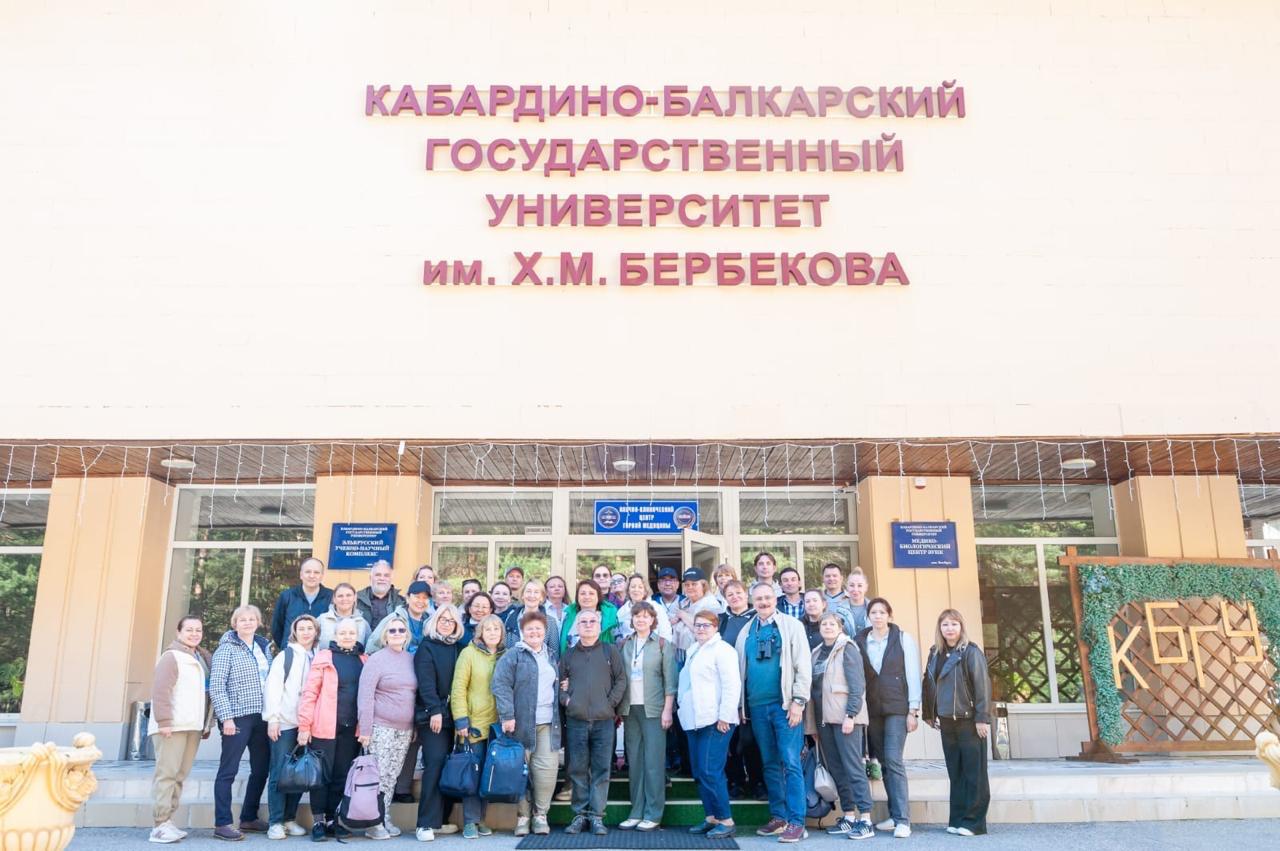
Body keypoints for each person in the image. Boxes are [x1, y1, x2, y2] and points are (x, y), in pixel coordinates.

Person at [734, 583, 811, 844]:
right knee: (769, 763)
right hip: (757, 708)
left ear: (775, 599)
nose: (763, 602)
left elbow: (803, 665)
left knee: (790, 762)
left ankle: (797, 821)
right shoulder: (747, 631)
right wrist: (741, 706)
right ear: (752, 601)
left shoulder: (791, 626)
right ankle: (779, 817)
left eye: (768, 597)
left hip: (785, 706)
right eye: (758, 598)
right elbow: (740, 671)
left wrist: (798, 701)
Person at [855, 597, 921, 839]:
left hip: (897, 708)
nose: (878, 616)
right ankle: (894, 815)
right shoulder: (860, 640)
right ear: (868, 616)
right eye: (874, 612)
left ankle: (903, 820)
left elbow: (913, 674)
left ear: (889, 616)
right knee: (883, 762)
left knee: (893, 759)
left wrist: (913, 710)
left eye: (882, 612)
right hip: (873, 710)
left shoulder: (902, 638)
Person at [492, 610, 562, 838]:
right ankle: (523, 816)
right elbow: (500, 685)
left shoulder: (551, 655)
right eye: (530, 629)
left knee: (546, 771)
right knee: (520, 771)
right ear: (522, 632)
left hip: (548, 722)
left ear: (545, 632)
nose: (534, 632)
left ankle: (541, 815)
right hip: (519, 723)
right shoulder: (513, 655)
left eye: (538, 629)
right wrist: (507, 715)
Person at [805, 613, 874, 840]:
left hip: (846, 719)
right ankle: (849, 816)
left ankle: (866, 819)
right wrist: (813, 726)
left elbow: (857, 685)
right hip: (824, 721)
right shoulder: (816, 652)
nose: (827, 627)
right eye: (824, 624)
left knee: (853, 768)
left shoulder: (848, 648)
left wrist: (850, 715)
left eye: (832, 624)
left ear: (840, 627)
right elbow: (814, 692)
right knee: (837, 769)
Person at [923, 609, 992, 837]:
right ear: (939, 628)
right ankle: (957, 819)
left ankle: (974, 823)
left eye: (954, 624)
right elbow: (928, 683)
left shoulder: (971, 652)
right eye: (945, 624)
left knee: (974, 773)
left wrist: (982, 718)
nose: (949, 628)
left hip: (969, 720)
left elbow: (982, 686)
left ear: (961, 627)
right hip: (946, 721)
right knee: (956, 772)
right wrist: (929, 713)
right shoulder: (935, 653)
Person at [297, 617, 366, 842]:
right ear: (335, 635)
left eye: (351, 633)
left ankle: (331, 820)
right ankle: (318, 822)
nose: (347, 636)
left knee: (341, 775)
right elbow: (310, 693)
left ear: (357, 636)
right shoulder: (325, 657)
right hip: (324, 727)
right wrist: (304, 725)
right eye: (343, 633)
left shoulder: (363, 659)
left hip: (350, 728)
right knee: (321, 776)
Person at [209, 605, 274, 841]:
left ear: (258, 622)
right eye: (242, 619)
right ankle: (222, 823)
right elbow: (217, 686)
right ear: (234, 623)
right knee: (228, 770)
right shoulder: (226, 649)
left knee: (261, 769)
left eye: (251, 619)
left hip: (261, 717)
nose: (247, 622)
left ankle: (248, 817)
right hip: (236, 717)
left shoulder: (263, 647)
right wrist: (226, 717)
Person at [559, 609, 626, 836]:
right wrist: (567, 700)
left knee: (601, 769)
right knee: (577, 769)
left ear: (599, 626)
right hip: (576, 720)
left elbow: (621, 680)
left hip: (604, 721)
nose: (588, 625)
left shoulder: (610, 651)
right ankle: (579, 815)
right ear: (577, 627)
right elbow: (560, 684)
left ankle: (597, 816)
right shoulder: (568, 654)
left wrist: (609, 704)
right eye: (583, 622)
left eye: (592, 621)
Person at [148, 615, 213, 844]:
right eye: (189, 630)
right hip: (172, 726)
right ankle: (159, 824)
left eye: (198, 630)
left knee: (179, 775)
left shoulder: (201, 658)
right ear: (179, 632)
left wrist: (206, 724)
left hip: (192, 726)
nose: (194, 634)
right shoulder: (171, 657)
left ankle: (168, 821)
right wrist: (164, 721)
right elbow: (160, 691)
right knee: (167, 774)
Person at [679, 609, 741, 839]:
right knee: (699, 771)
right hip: (693, 720)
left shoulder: (723, 650)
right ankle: (712, 817)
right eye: (698, 625)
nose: (701, 629)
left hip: (716, 721)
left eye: (706, 625)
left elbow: (732, 685)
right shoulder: (693, 649)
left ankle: (726, 820)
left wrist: (725, 716)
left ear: (715, 627)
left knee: (710, 770)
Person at [358, 614, 418, 839]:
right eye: (392, 630)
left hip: (405, 729)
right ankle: (373, 822)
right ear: (385, 636)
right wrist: (365, 729)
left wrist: (414, 726)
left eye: (401, 630)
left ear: (407, 635)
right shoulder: (376, 660)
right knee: (379, 776)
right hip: (380, 727)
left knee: (392, 776)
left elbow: (413, 695)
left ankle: (384, 817)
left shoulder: (411, 659)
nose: (397, 634)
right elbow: (365, 696)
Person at [617, 601, 676, 831]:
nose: (641, 619)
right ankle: (636, 811)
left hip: (654, 709)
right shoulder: (625, 644)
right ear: (631, 619)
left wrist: (667, 710)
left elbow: (670, 681)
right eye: (637, 616)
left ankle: (653, 813)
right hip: (630, 709)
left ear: (653, 620)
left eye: (645, 616)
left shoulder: (662, 644)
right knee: (635, 762)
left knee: (653, 762)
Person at [264, 613, 320, 840]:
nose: (306, 632)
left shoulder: (318, 656)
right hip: (285, 723)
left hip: (308, 725)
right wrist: (273, 718)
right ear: (294, 632)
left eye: (310, 628)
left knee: (299, 773)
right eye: (302, 628)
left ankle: (289, 818)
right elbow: (273, 688)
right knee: (279, 772)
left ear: (316, 632)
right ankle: (275, 822)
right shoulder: (285, 656)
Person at [451, 614, 506, 839]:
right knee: (472, 775)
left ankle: (482, 819)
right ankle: (470, 821)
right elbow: (458, 688)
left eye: (496, 629)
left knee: (488, 774)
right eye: (488, 629)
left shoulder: (506, 655)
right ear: (480, 632)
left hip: (497, 725)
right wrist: (461, 719)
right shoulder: (469, 653)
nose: (492, 632)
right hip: (474, 723)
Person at [414, 606, 464, 841]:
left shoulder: (458, 648)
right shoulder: (427, 646)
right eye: (442, 619)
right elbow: (425, 683)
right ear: (435, 621)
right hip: (433, 716)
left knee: (448, 765)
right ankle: (424, 823)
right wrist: (435, 710)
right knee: (434, 764)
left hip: (456, 716)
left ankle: (441, 820)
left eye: (451, 621)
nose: (446, 623)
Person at [716, 579, 764, 801]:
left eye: (738, 593)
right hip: (727, 686)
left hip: (751, 685)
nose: (735, 597)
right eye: (730, 594)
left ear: (747, 594)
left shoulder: (758, 618)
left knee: (751, 738)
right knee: (731, 738)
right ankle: (735, 781)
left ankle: (757, 782)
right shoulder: (721, 620)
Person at [270, 557, 333, 650]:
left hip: (321, 654)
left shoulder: (331, 597)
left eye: (316, 572)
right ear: (301, 575)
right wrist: (286, 647)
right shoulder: (287, 596)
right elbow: (277, 628)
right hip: (292, 652)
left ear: (322, 576)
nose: (312, 576)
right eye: (308, 572)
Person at [671, 567, 725, 659]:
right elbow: (670, 622)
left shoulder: (711, 603)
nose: (690, 587)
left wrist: (682, 615)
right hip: (679, 653)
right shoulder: (683, 603)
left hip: (701, 653)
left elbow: (705, 627)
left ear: (703, 585)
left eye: (694, 584)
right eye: (687, 585)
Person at [367, 580, 431, 653]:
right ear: (407, 598)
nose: (421, 601)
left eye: (425, 598)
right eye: (417, 597)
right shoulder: (394, 619)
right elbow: (372, 646)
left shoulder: (431, 622)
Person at [560, 579, 618, 653]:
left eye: (591, 593)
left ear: (598, 596)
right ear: (577, 597)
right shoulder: (568, 615)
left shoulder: (610, 616)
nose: (587, 597)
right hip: (571, 659)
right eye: (583, 593)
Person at [507, 578, 562, 650]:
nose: (532, 595)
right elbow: (506, 649)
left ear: (542, 597)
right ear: (522, 595)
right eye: (528, 591)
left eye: (536, 592)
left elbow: (554, 652)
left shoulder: (550, 621)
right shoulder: (511, 618)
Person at [617, 574, 672, 641]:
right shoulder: (621, 612)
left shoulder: (657, 608)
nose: (636, 590)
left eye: (640, 587)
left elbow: (666, 633)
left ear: (645, 590)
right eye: (633, 587)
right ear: (628, 590)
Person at [318, 582, 371, 648]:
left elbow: (368, 649)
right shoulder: (322, 620)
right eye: (340, 596)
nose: (344, 599)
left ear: (355, 598)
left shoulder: (362, 623)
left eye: (348, 595)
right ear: (334, 599)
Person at [357, 560, 404, 628]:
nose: (382, 578)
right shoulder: (357, 600)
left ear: (391, 579)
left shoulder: (401, 602)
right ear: (370, 578)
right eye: (378, 575)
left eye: (386, 575)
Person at [845, 569, 870, 633]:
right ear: (847, 587)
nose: (855, 589)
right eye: (852, 585)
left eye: (859, 585)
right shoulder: (839, 610)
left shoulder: (874, 608)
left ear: (866, 587)